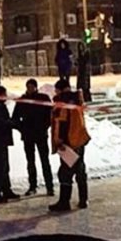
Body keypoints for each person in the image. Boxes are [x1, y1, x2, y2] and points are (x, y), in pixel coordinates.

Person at [49, 78, 91, 212]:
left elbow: (62, 122)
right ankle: (83, 199)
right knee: (79, 170)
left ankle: (64, 202)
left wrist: (60, 141)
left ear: (60, 89)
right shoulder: (76, 100)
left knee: (65, 173)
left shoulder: (63, 101)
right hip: (79, 140)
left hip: (68, 143)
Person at [11, 78, 54, 196]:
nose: (30, 89)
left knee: (45, 161)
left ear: (36, 87)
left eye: (32, 87)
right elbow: (15, 118)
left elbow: (50, 115)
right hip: (28, 135)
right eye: (28, 87)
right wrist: (22, 128)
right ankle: (32, 186)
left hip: (41, 134)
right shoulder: (22, 100)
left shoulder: (43, 98)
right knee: (30, 162)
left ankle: (49, 186)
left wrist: (45, 127)